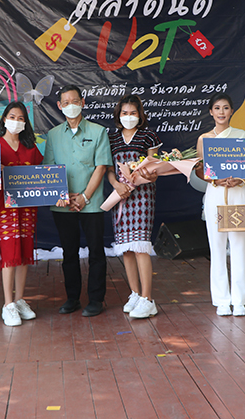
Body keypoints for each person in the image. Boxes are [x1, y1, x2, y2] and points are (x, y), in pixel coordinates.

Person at [197, 93, 245, 317]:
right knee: (217, 248)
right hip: (216, 195)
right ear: (211, 112)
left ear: (232, 111)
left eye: (225, 108)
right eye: (217, 108)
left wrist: (240, 178)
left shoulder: (242, 136)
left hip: (240, 193)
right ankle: (222, 300)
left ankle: (239, 300)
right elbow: (202, 171)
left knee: (239, 247)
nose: (221, 112)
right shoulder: (204, 139)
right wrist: (215, 180)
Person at [43, 85, 113, 317]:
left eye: (75, 101)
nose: (70, 106)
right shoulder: (53, 135)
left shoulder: (98, 131)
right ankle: (72, 298)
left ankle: (96, 299)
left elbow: (101, 166)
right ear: (59, 106)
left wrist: (84, 197)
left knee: (96, 252)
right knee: (69, 252)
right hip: (62, 204)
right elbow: (49, 168)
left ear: (82, 103)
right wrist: (62, 195)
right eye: (66, 102)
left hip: (91, 203)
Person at [0, 102, 42, 327]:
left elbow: (42, 176)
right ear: (4, 119)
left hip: (27, 208)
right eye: (12, 117)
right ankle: (8, 305)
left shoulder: (31, 148)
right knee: (10, 252)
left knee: (24, 251)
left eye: (21, 118)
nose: (16, 122)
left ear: (25, 123)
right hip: (3, 208)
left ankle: (19, 300)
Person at [106, 95, 161, 319]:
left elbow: (154, 168)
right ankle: (135, 294)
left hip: (142, 195)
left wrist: (142, 177)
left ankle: (148, 299)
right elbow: (109, 169)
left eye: (133, 113)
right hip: (119, 195)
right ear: (118, 115)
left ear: (140, 115)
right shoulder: (111, 138)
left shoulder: (148, 136)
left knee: (140, 246)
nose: (129, 117)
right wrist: (117, 185)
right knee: (126, 248)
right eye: (125, 113)